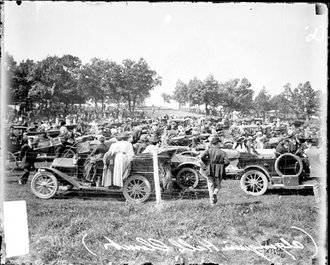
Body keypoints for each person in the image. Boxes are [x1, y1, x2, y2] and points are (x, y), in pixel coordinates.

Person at [200, 136, 230, 206]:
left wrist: (207, 163)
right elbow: (227, 162)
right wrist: (222, 166)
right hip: (218, 170)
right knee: (218, 185)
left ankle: (212, 203)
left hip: (209, 169)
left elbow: (202, 157)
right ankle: (215, 193)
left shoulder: (209, 150)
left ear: (212, 143)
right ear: (218, 143)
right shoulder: (223, 152)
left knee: (210, 185)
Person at [305, 138, 324, 206]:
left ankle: (318, 201)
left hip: (313, 170)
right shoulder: (320, 151)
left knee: (316, 186)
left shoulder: (307, 151)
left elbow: (307, 161)